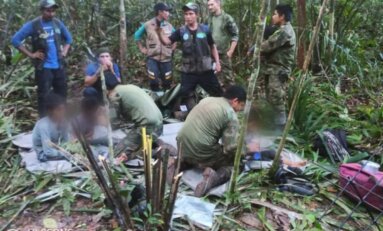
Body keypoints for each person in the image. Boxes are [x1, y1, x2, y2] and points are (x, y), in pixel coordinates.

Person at [176, 85, 246, 197]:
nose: (240, 110)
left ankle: (179, 164)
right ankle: (213, 178)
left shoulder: (208, 99)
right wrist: (244, 153)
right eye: (241, 106)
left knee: (199, 147)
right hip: (201, 150)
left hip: (181, 145)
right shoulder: (230, 114)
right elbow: (230, 148)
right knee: (238, 165)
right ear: (235, 101)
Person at [11, 0, 72, 117]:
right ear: (42, 10)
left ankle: (62, 120)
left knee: (62, 94)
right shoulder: (33, 25)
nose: (51, 13)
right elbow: (15, 40)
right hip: (43, 67)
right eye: (48, 11)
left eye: (53, 11)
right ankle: (44, 122)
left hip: (59, 65)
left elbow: (69, 39)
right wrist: (31, 54)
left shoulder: (57, 23)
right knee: (44, 96)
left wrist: (64, 52)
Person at [158, 2, 223, 107]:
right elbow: (167, 42)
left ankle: (222, 112)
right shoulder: (181, 31)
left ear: (196, 15)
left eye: (190, 13)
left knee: (217, 92)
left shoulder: (205, 29)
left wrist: (217, 62)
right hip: (188, 71)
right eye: (186, 14)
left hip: (205, 70)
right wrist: (159, 31)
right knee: (184, 94)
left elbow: (212, 46)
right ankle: (187, 113)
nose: (188, 16)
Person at [256, 4, 296, 129]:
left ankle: (280, 126)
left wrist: (257, 48)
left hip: (278, 70)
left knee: (276, 98)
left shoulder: (285, 32)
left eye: (274, 14)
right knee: (271, 97)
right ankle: (272, 124)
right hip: (273, 69)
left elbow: (266, 46)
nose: (272, 17)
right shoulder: (281, 30)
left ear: (282, 16)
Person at [106, 81, 163, 160]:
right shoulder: (130, 87)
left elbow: (114, 122)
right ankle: (147, 147)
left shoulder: (114, 94)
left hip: (147, 127)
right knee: (133, 142)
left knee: (115, 155)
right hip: (159, 126)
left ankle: (151, 152)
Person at [134, 2, 175, 92]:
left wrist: (172, 48)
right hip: (153, 58)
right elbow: (137, 36)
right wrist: (141, 48)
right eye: (166, 11)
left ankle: (166, 99)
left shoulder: (169, 26)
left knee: (167, 81)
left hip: (166, 59)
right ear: (160, 12)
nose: (168, 13)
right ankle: (155, 98)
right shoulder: (148, 25)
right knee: (153, 80)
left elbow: (175, 37)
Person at [207, 0, 239, 89]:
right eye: (208, 5)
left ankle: (233, 98)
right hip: (212, 53)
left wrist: (231, 51)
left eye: (212, 4)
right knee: (213, 77)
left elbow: (235, 35)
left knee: (228, 77)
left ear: (218, 3)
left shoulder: (227, 18)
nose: (209, 7)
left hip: (224, 53)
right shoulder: (209, 18)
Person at [32, 93, 69, 162]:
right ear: (50, 111)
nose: (62, 112)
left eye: (63, 109)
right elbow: (48, 152)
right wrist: (66, 154)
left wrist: (69, 150)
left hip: (58, 149)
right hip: (44, 153)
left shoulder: (64, 122)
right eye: (59, 110)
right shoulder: (43, 125)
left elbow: (66, 141)